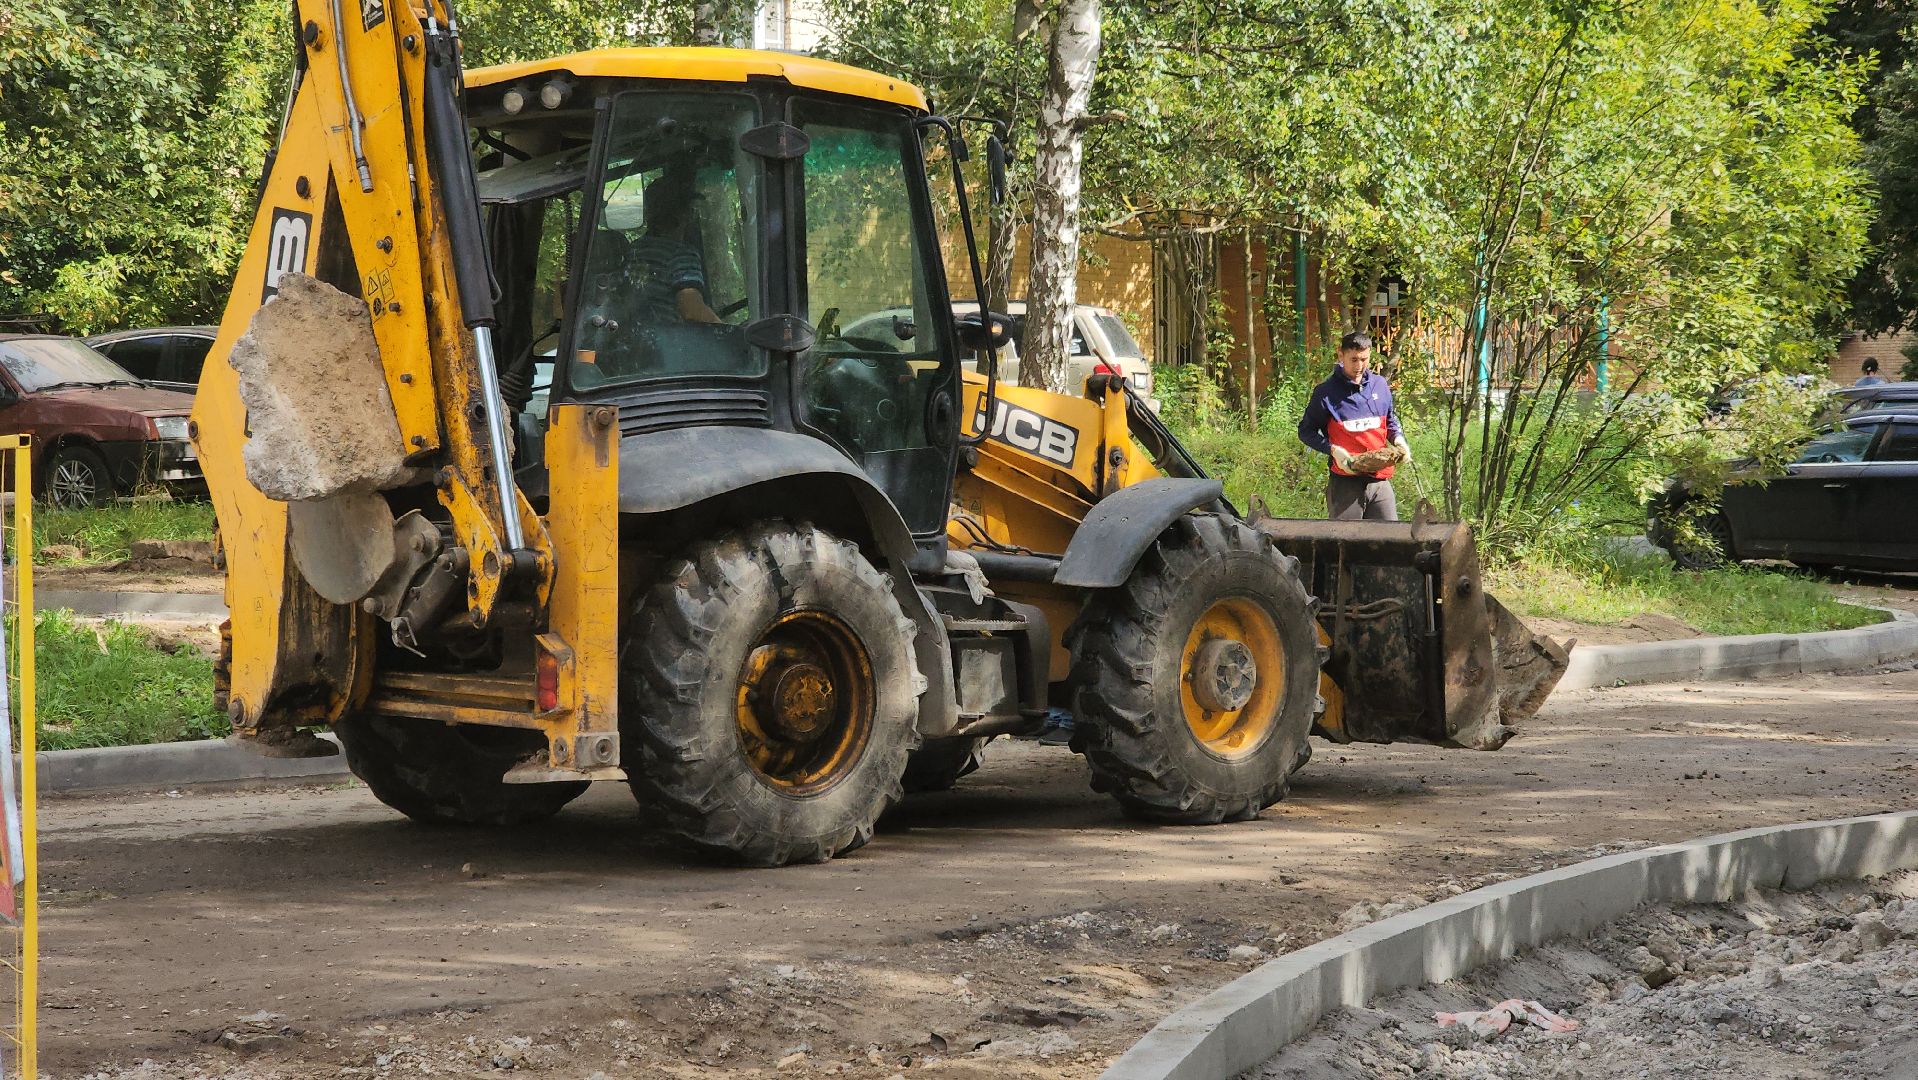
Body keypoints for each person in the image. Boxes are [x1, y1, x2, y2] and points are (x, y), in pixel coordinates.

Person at [1297, 332, 1412, 521]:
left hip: (1380, 481)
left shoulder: (1380, 386)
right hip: (1345, 484)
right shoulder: (1325, 393)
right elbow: (1305, 431)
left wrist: (1399, 439)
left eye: (1364, 359)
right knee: (1347, 543)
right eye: (1354, 360)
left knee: (1391, 541)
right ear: (1341, 356)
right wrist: (1333, 450)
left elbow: (1390, 421)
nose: (1359, 366)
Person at [625, 171, 720, 325]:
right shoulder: (681, 255)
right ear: (684, 215)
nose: (693, 214)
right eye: (691, 209)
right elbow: (692, 311)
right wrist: (733, 336)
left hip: (636, 341)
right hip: (666, 344)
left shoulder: (632, 250)